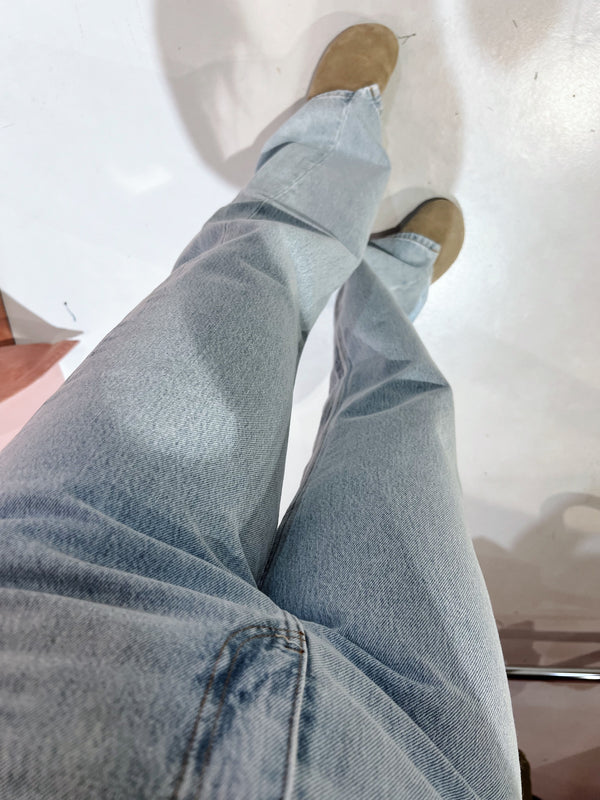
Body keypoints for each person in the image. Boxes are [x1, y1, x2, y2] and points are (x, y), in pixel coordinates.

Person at [0, 22, 527, 799]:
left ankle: (330, 152)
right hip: (424, 765)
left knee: (250, 273)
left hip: (55, 614)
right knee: (406, 400)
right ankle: (383, 289)